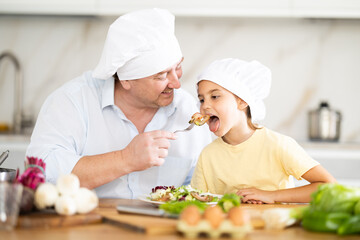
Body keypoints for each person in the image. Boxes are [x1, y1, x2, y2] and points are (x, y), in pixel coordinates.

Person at [26, 8, 212, 199]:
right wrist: (125, 159)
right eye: (162, 75)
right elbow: (40, 173)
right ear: (126, 81)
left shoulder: (188, 110)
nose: (176, 83)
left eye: (178, 67)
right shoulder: (71, 102)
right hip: (85, 225)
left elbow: (200, 187)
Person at [190, 58, 336, 204]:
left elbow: (329, 187)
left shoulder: (277, 145)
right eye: (202, 99)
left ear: (242, 100)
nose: (205, 106)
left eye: (215, 96)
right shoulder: (208, 155)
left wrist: (270, 196)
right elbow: (197, 202)